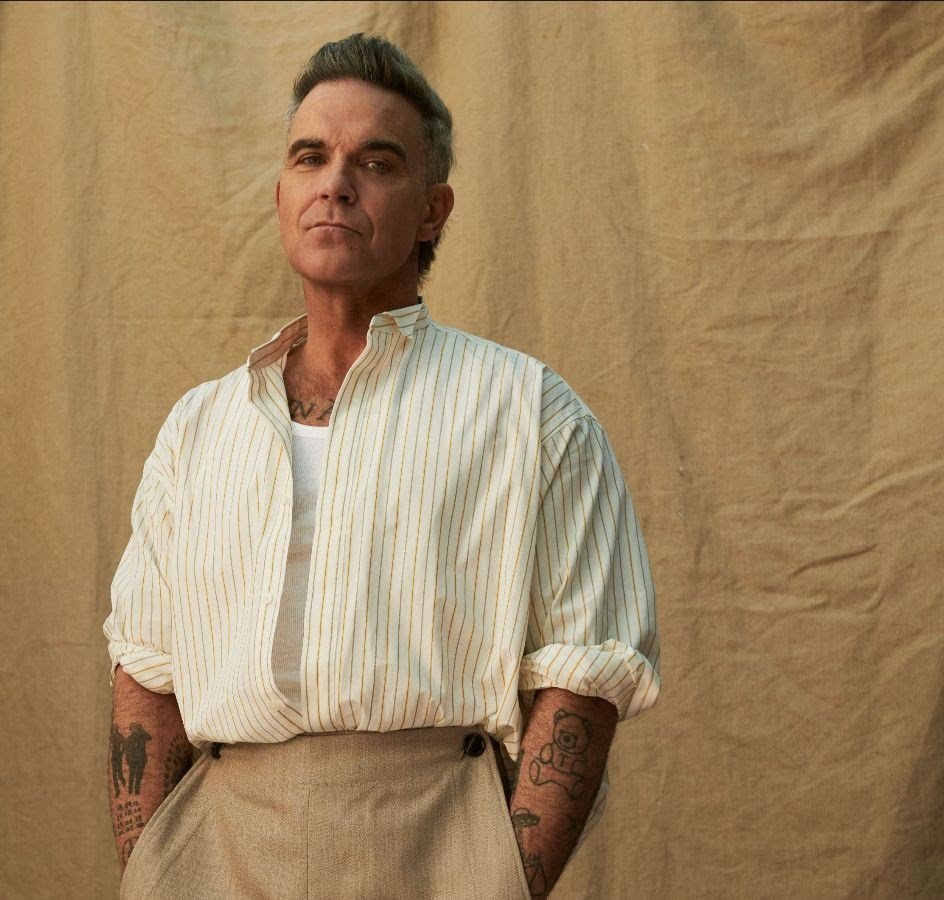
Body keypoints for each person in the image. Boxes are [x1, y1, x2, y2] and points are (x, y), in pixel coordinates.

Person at [103, 32, 660, 899]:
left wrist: (502, 879)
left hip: (442, 846)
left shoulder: (530, 415)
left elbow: (585, 676)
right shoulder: (198, 429)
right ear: (282, 195)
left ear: (433, 210)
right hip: (217, 850)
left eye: (376, 162)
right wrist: (152, 868)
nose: (335, 183)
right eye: (310, 157)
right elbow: (147, 670)